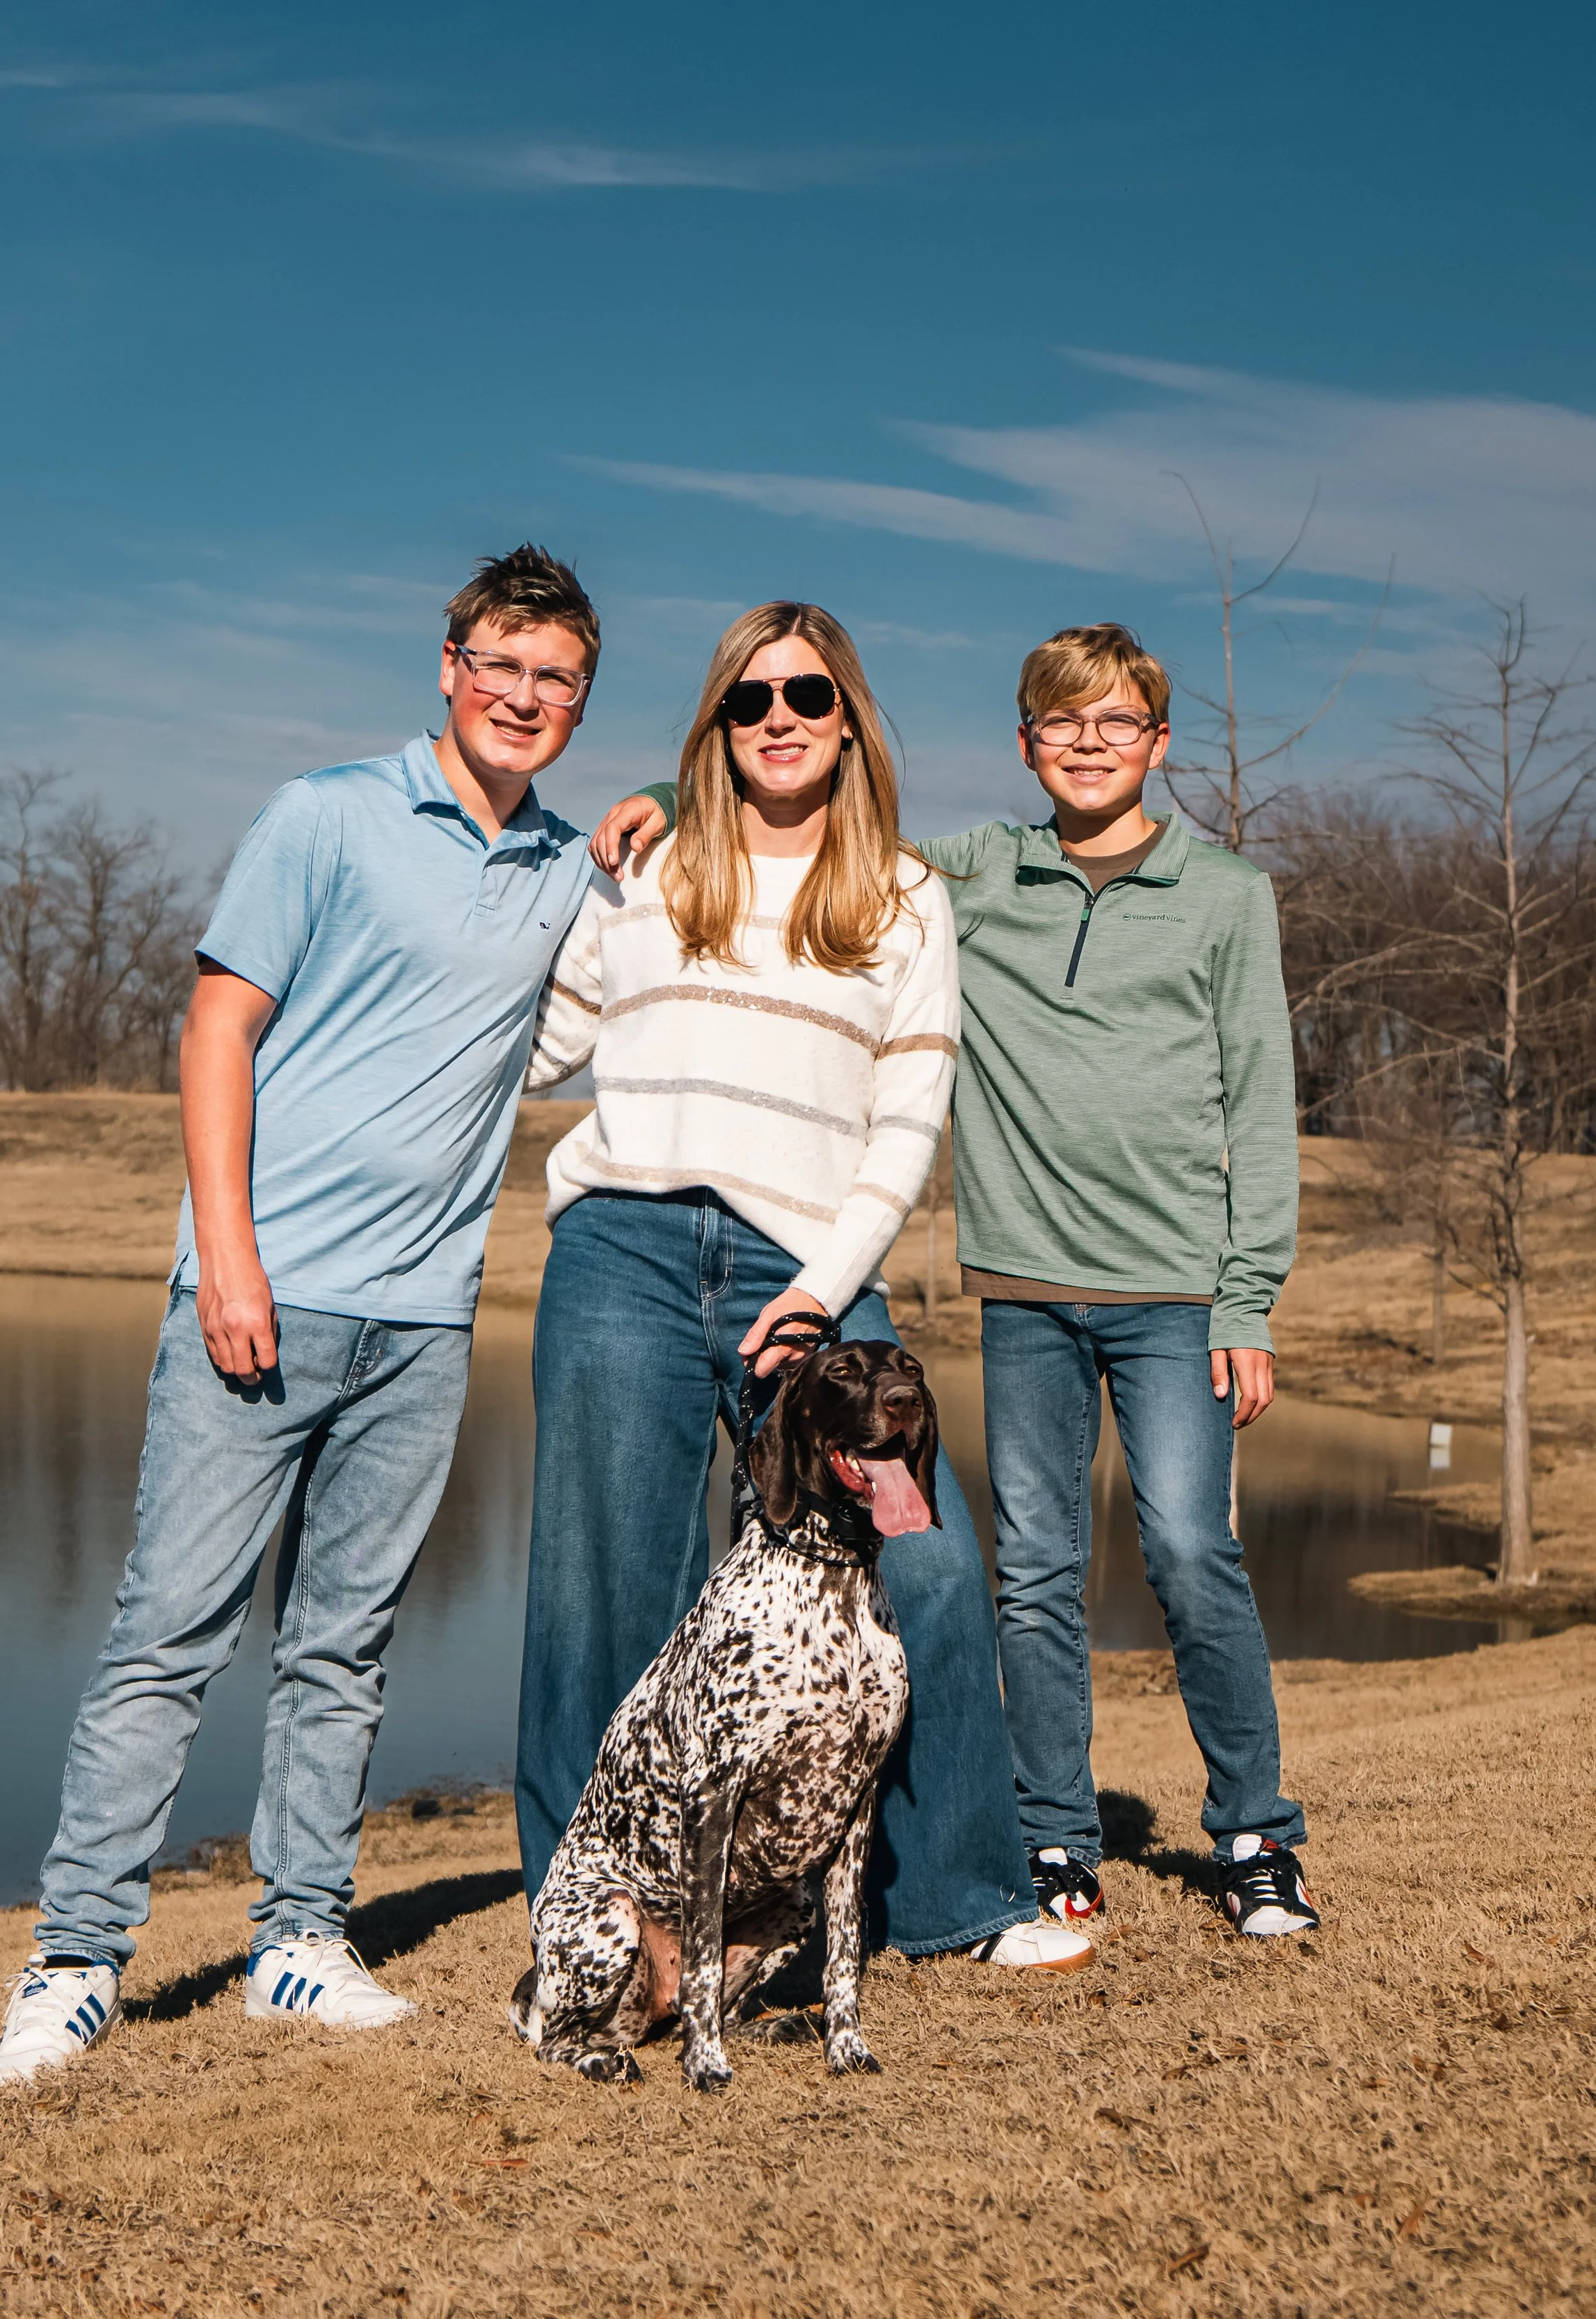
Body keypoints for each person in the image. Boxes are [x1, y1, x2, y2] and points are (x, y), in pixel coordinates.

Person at [0, 546, 607, 2089]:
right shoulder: (324, 813)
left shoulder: (564, 870)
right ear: (449, 665)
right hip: (259, 1299)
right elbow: (218, 1030)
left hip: (425, 1326)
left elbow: (612, 961)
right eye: (504, 666)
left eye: (559, 682)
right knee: (167, 1637)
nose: (526, 698)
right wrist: (230, 1257)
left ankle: (298, 1941)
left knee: (345, 1644)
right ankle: (73, 1962)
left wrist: (636, 841)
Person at [594, 621, 1317, 1940]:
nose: (1088, 747)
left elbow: (1263, 1113)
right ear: (1027, 745)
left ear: (1158, 744)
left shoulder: (1227, 897)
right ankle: (1053, 1842)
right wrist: (661, 790)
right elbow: (805, 801)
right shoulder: (976, 872)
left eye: (1116, 725)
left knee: (1191, 1552)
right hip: (1025, 1290)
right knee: (1033, 1572)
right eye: (1061, 724)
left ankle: (1258, 1833)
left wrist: (1248, 1297)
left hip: (1174, 1295)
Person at [513, 600, 1094, 1975]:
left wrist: (825, 1289)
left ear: (848, 722)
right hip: (624, 1252)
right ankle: (596, 1922)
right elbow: (533, 1047)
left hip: (807, 1270)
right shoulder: (640, 868)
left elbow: (907, 1120)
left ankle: (960, 1898)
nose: (779, 718)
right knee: (601, 1591)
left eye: (808, 697)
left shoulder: (899, 895)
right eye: (749, 698)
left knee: (926, 1568)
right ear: (715, 722)